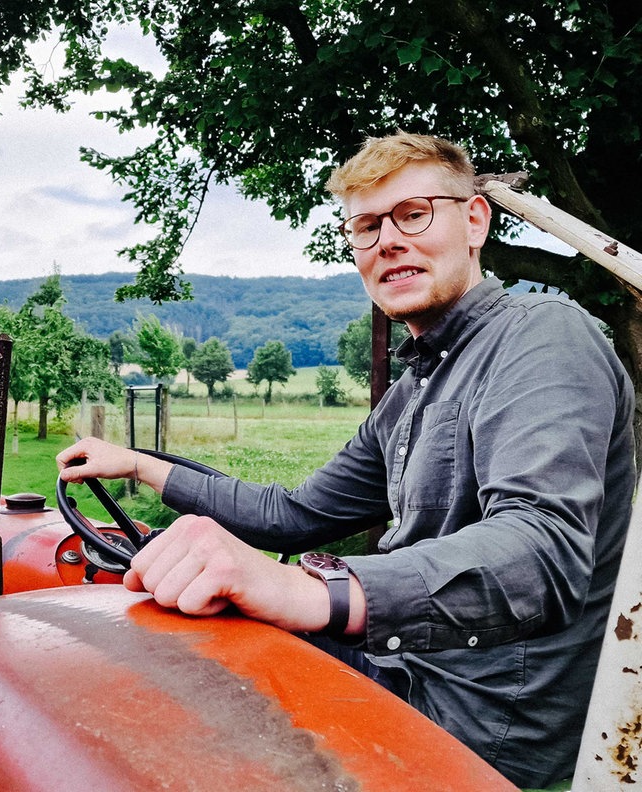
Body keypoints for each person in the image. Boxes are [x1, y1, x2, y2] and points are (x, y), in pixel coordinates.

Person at [57, 132, 636, 788]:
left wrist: (310, 590)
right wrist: (137, 464)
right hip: (399, 667)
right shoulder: (413, 393)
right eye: (365, 226)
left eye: (413, 214)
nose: (388, 240)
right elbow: (294, 515)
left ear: (474, 221)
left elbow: (540, 551)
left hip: (480, 723)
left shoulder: (542, 336)